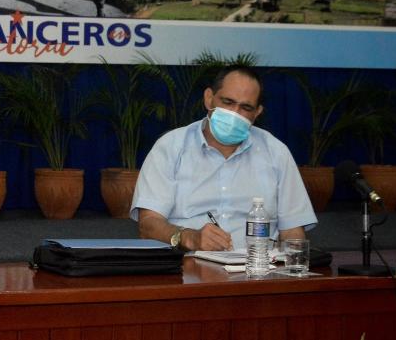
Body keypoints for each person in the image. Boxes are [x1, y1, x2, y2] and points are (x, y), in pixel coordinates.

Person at [130, 65, 316, 252]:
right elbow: (148, 224)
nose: (235, 113)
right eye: (228, 102)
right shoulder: (170, 147)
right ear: (209, 99)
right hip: (186, 267)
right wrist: (189, 237)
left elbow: (293, 232)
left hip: (257, 270)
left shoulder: (276, 152)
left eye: (245, 107)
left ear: (257, 113)